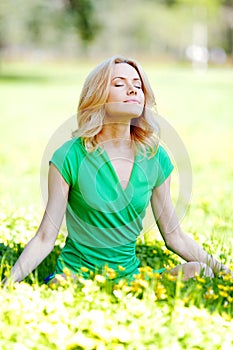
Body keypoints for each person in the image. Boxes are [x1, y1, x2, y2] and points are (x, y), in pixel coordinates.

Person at [2, 55, 231, 287]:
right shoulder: (69, 156)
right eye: (120, 84)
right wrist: (8, 283)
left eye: (138, 85)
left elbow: (175, 237)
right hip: (74, 276)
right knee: (61, 284)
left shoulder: (156, 157)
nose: (132, 90)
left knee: (200, 270)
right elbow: (44, 238)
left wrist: (225, 272)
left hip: (130, 280)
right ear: (98, 96)